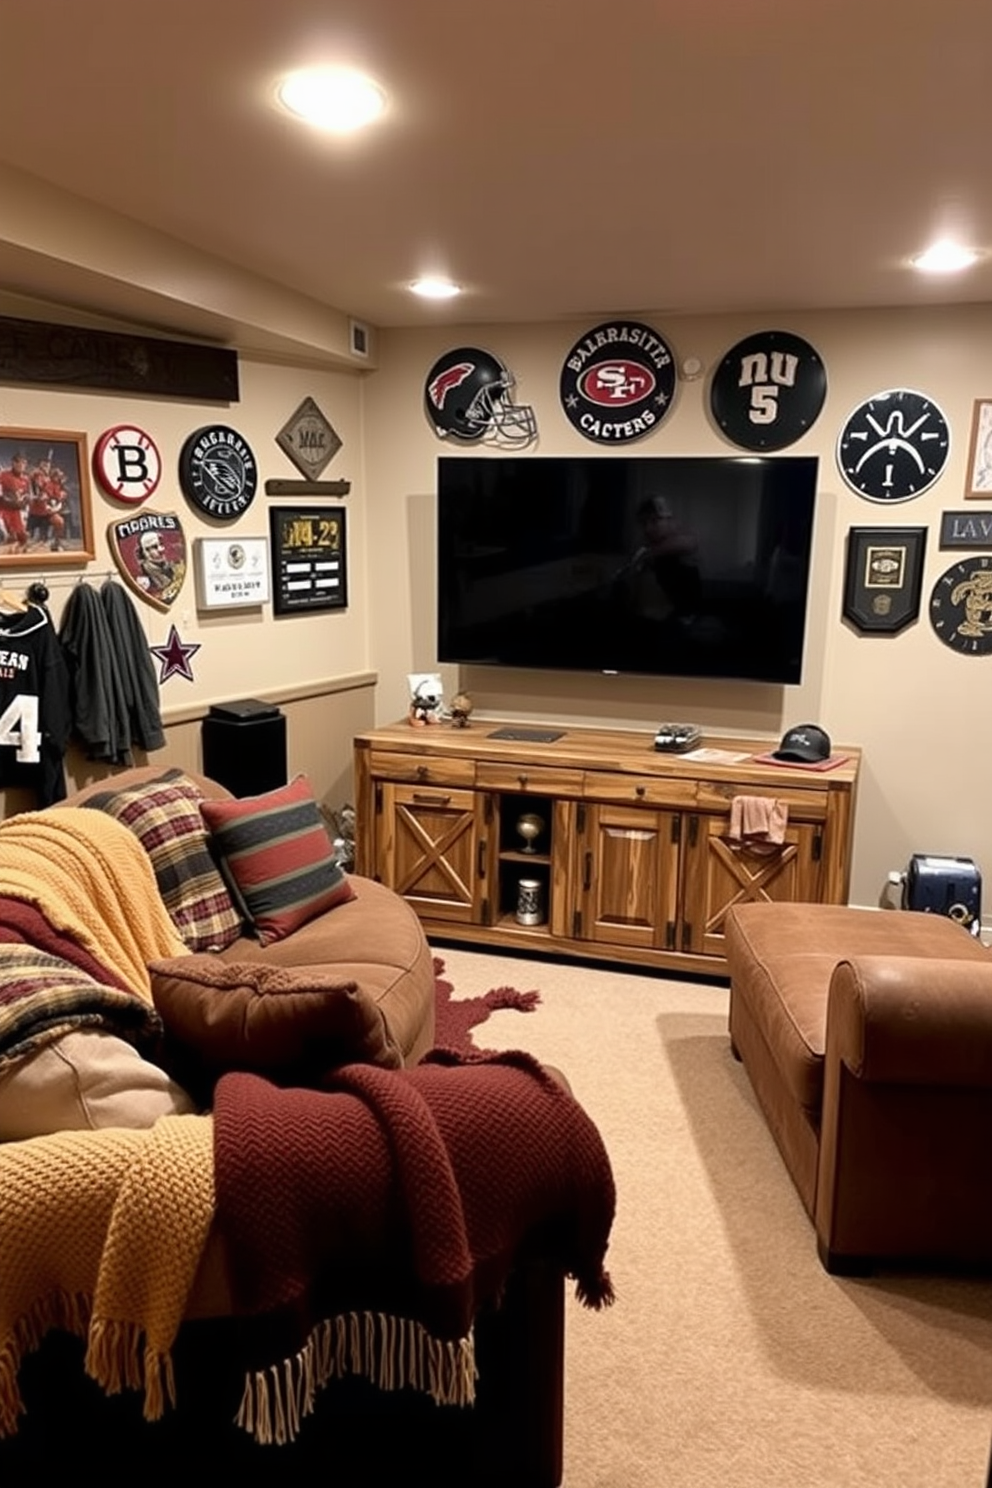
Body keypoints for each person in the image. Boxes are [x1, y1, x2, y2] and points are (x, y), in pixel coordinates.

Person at [0, 452, 31, 553]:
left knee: (23, 538)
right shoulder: (4, 475)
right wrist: (5, 498)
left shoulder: (26, 479)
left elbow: (27, 495)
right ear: (13, 463)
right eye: (19, 463)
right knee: (11, 536)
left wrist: (25, 501)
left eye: (24, 463)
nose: (22, 466)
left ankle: (20, 557)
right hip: (4, 510)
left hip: (18, 511)